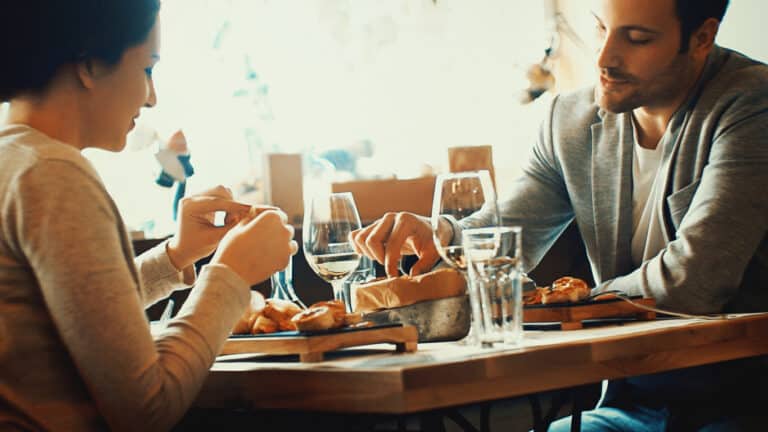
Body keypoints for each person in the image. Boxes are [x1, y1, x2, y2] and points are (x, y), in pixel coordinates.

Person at [351, 0, 767, 430]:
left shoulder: (753, 103)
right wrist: (438, 234)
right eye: (601, 29)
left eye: (637, 38)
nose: (604, 58)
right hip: (628, 402)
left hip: (744, 402)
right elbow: (509, 236)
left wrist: (570, 302)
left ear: (702, 38)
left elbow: (693, 283)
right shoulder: (568, 119)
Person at [0, 1, 298, 430]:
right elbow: (146, 407)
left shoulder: (16, 161)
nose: (152, 97)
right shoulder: (52, 174)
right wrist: (231, 274)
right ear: (89, 64)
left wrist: (175, 256)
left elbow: (77, 315)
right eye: (147, 70)